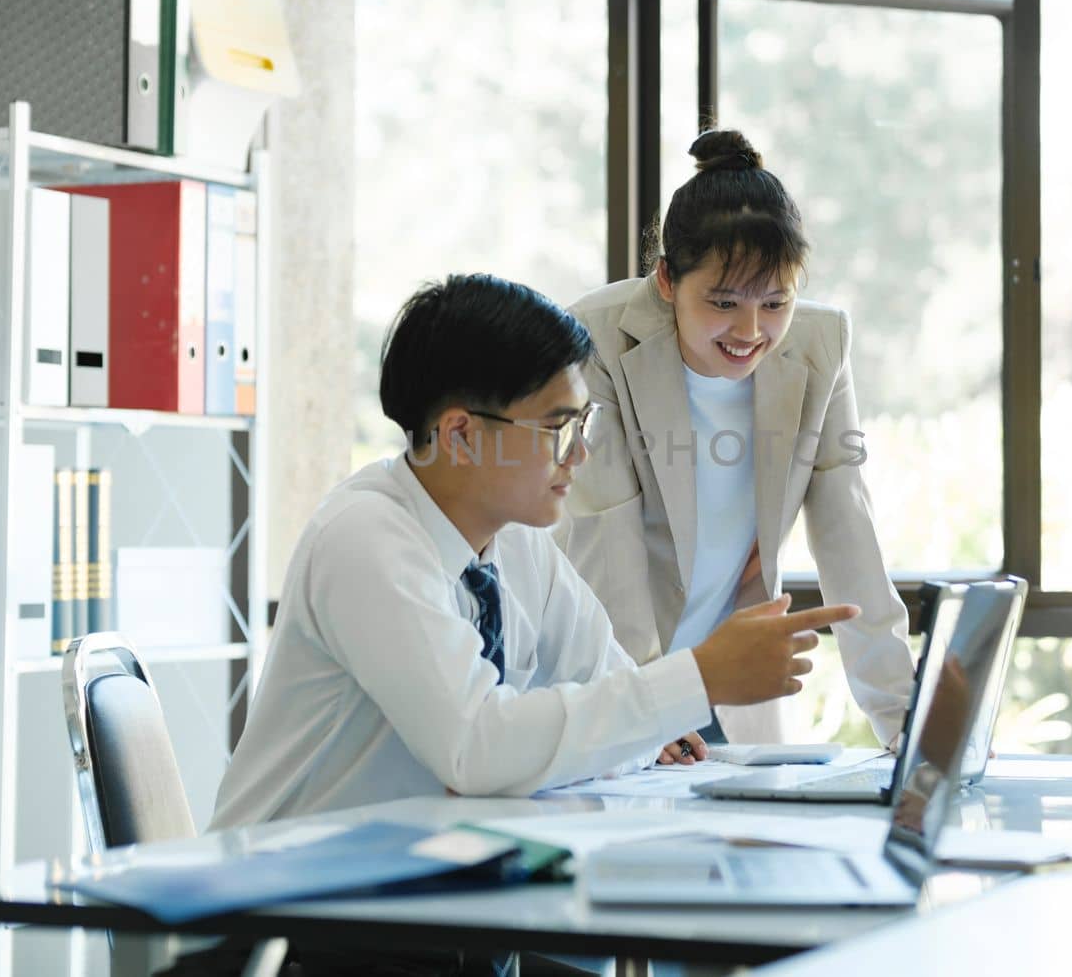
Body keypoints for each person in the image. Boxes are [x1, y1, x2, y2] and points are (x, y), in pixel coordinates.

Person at [212, 273, 856, 830]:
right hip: (284, 926)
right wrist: (699, 678)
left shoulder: (519, 543)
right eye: (557, 428)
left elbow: (615, 698)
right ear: (461, 434)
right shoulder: (366, 539)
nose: (580, 454)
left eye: (583, 425)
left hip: (423, 903)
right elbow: (478, 747)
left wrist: (642, 720)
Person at [555, 128, 915, 746]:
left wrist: (907, 722)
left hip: (731, 677)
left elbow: (848, 532)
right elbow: (603, 535)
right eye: (723, 303)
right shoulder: (601, 336)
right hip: (614, 670)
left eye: (775, 303)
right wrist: (639, 702)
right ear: (667, 280)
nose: (750, 331)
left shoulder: (820, 344)